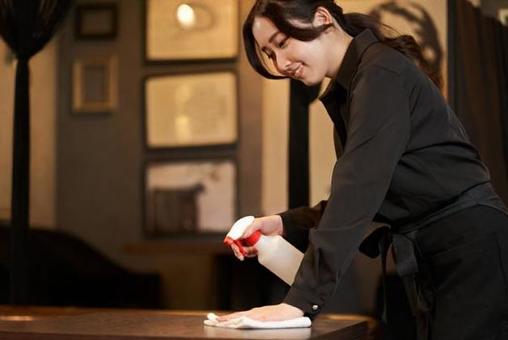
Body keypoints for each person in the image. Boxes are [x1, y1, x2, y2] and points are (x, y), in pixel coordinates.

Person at [219, 1, 508, 339]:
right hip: (439, 255)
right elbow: (370, 193)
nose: (281, 64)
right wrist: (285, 223)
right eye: (270, 54)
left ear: (322, 18)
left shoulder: (381, 74)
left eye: (283, 43)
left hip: (473, 251)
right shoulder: (355, 85)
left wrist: (297, 303)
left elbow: (358, 191)